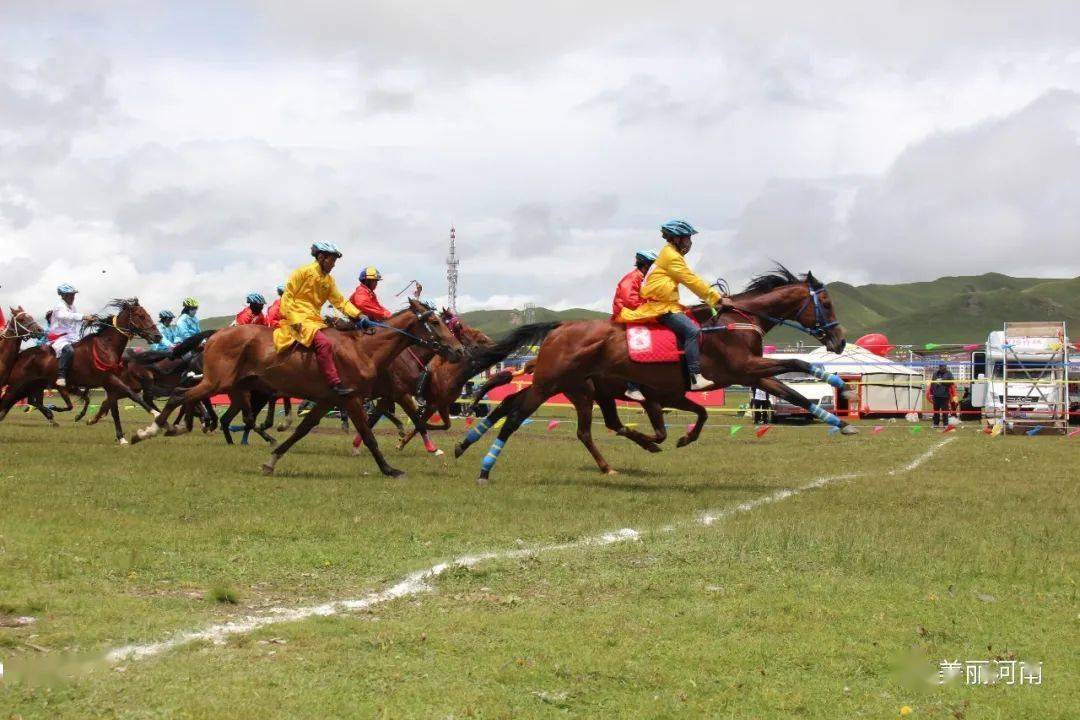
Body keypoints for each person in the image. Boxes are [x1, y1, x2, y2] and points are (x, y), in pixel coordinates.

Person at [617, 220, 729, 390]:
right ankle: (695, 376)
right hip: (662, 308)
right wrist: (717, 299)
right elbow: (691, 280)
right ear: (676, 239)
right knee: (692, 331)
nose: (690, 243)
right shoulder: (672, 257)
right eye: (687, 239)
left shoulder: (669, 254)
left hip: (665, 305)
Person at [273, 242, 365, 395]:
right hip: (298, 319)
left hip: (315, 320)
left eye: (335, 261)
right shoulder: (302, 272)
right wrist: (294, 320)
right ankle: (334, 383)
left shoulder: (329, 281)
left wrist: (359, 315)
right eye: (332, 260)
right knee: (324, 343)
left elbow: (340, 302)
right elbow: (287, 298)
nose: (334, 265)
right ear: (321, 257)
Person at [612, 249, 658, 401]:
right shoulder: (631, 278)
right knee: (643, 343)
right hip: (627, 315)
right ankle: (633, 386)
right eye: (652, 266)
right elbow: (631, 301)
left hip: (637, 314)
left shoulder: (643, 279)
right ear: (645, 265)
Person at [50, 284, 96, 387]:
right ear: (64, 296)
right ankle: (61, 376)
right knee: (68, 350)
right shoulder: (59, 306)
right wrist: (84, 317)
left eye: (73, 295)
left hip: (71, 337)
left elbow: (75, 321)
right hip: (59, 337)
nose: (73, 298)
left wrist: (86, 322)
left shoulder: (72, 307)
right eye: (71, 295)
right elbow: (66, 316)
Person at [927, 363, 956, 428]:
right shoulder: (935, 373)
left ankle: (945, 424)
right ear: (939, 367)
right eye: (941, 367)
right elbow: (932, 383)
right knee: (936, 411)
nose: (943, 368)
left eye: (944, 367)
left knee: (945, 411)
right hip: (936, 395)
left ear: (945, 367)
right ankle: (935, 424)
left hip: (945, 396)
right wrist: (931, 393)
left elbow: (952, 382)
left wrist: (943, 381)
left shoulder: (949, 373)